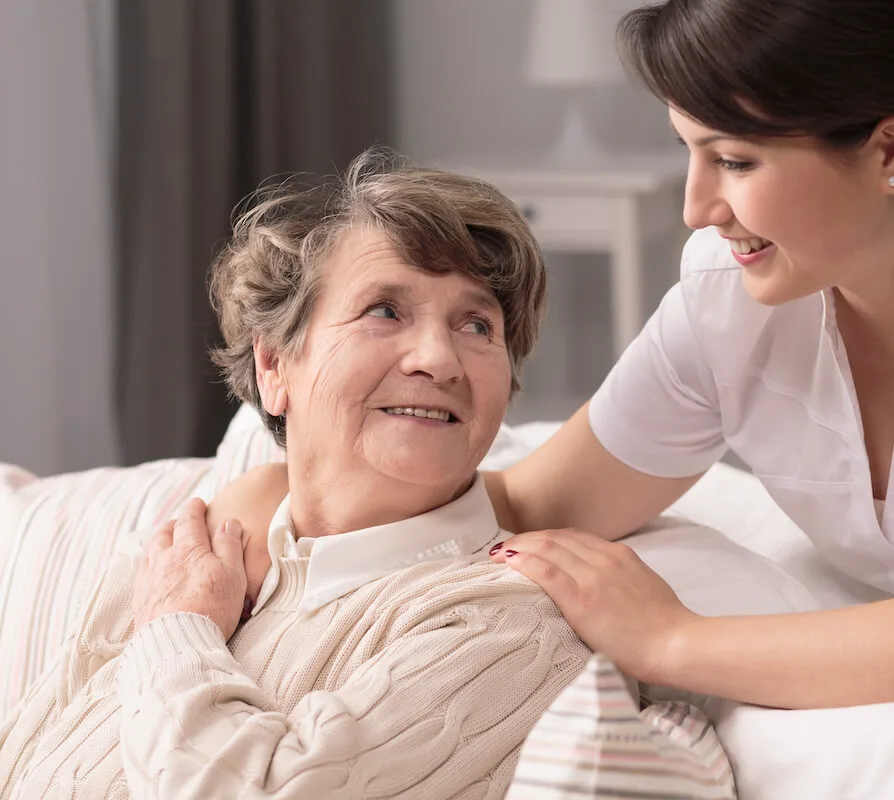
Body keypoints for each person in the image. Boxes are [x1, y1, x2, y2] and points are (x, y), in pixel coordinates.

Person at [216, 0, 894, 712]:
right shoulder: (734, 295)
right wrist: (279, 503)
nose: (697, 207)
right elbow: (533, 502)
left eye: (734, 160)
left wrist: (674, 639)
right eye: (691, 151)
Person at [0, 150, 591, 798]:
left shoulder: (505, 628)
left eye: (477, 325)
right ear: (275, 366)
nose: (438, 358)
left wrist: (177, 629)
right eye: (386, 311)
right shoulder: (187, 556)